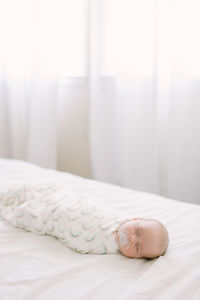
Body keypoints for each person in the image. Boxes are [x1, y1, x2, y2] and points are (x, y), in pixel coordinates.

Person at [0, 184, 169, 258]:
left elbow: (78, 241)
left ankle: (6, 209)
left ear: (136, 258)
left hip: (50, 217)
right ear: (135, 219)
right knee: (27, 192)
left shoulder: (106, 247)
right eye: (137, 231)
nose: (132, 238)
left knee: (23, 214)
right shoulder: (118, 217)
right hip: (64, 199)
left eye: (137, 247)